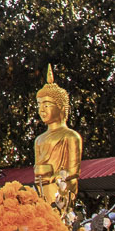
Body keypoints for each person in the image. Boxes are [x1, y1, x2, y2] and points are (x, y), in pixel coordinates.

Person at [32, 65, 81, 210]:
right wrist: (41, 174)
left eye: (46, 105)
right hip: (43, 189)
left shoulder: (70, 136)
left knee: (60, 212)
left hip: (61, 188)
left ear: (60, 106)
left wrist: (55, 177)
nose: (41, 110)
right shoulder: (39, 140)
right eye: (39, 105)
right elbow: (37, 168)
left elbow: (73, 171)